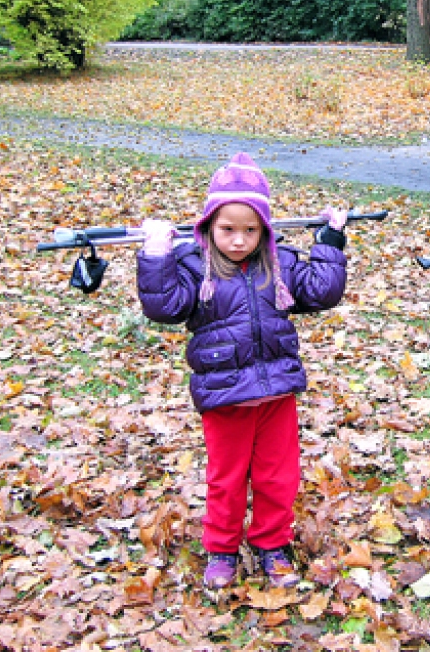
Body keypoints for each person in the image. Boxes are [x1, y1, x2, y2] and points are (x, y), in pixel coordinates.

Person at [136, 152, 347, 589]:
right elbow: (164, 306)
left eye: (250, 230)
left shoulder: (281, 264)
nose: (238, 240)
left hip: (276, 393)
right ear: (210, 225)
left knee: (278, 474)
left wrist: (330, 240)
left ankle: (272, 543)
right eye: (228, 229)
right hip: (225, 394)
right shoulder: (195, 267)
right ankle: (222, 549)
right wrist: (157, 254)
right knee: (226, 478)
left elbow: (322, 292)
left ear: (264, 228)